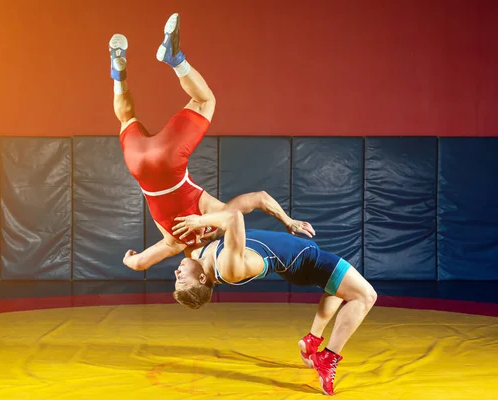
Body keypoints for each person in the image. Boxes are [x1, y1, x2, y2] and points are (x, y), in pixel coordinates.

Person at [109, 13, 315, 270]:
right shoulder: (172, 244)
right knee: (126, 117)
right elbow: (138, 263)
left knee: (206, 101)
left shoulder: (219, 216)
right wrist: (129, 257)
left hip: (169, 161)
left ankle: (175, 59)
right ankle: (118, 75)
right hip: (139, 166)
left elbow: (259, 198)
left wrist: (288, 221)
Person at [171, 209, 377, 396]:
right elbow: (234, 215)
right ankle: (328, 358)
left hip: (299, 262)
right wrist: (200, 220)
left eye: (177, 278)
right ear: (201, 279)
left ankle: (312, 339)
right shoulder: (226, 266)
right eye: (181, 279)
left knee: (337, 289)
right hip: (305, 261)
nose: (176, 272)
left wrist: (138, 259)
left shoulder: (201, 253)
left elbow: (253, 199)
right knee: (366, 296)